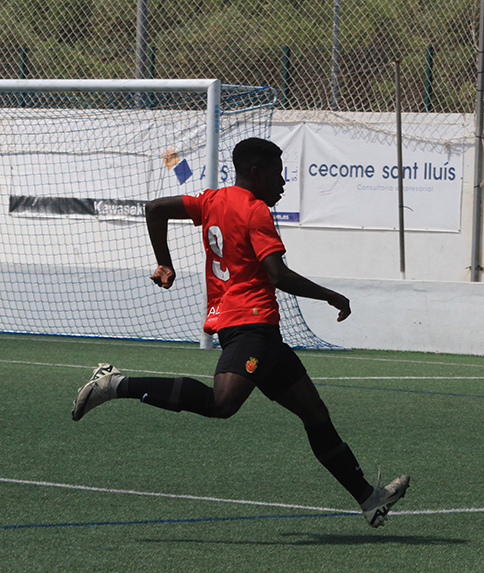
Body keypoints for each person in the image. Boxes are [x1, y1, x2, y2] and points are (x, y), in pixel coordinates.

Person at [71, 137, 408, 528]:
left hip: (261, 334)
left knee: (315, 414)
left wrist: (165, 262)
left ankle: (369, 499)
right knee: (222, 403)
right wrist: (332, 296)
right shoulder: (255, 210)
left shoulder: (212, 200)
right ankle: (114, 385)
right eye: (279, 175)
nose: (283, 183)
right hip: (250, 325)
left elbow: (155, 209)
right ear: (256, 173)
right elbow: (278, 275)